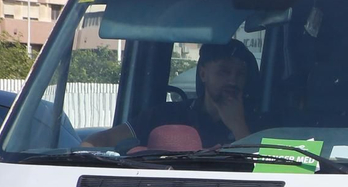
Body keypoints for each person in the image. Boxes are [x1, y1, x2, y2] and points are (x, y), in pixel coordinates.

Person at [84, 40, 257, 150]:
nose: (233, 81)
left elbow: (264, 169)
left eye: (240, 74)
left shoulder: (260, 122)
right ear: (203, 74)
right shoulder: (167, 115)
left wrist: (238, 124)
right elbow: (101, 141)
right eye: (224, 72)